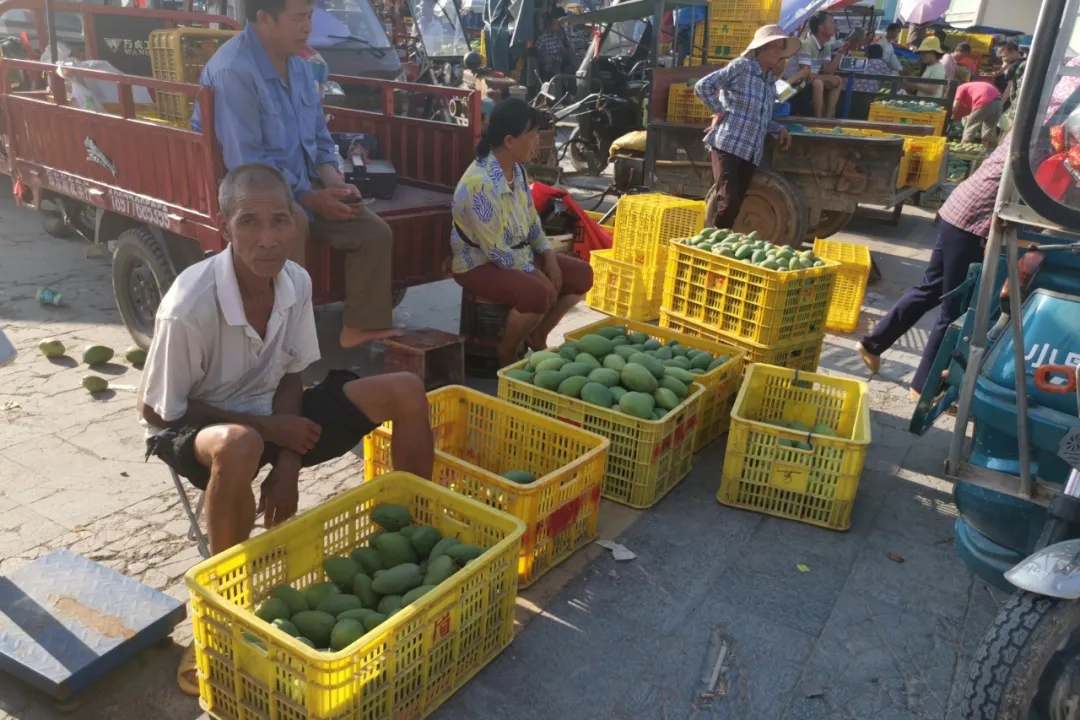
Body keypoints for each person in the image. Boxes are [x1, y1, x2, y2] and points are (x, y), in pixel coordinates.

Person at [140, 164, 435, 693]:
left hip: (276, 413)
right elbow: (159, 412)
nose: (268, 239)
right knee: (242, 445)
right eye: (249, 222)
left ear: (297, 222)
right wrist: (266, 429)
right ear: (224, 224)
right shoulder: (188, 306)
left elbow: (293, 373)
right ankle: (223, 615)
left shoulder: (295, 282)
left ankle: (416, 544)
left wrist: (291, 462)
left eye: (280, 220)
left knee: (406, 390)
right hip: (199, 429)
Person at [191, 0, 400, 350]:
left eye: (310, 18)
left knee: (373, 231)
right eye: (299, 18)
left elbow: (319, 139)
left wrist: (334, 181)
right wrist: (307, 196)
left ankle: (360, 326)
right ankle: (282, 340)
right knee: (292, 225)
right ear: (263, 20)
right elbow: (247, 161)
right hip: (255, 193)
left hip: (304, 185)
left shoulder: (301, 68)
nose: (307, 27)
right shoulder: (234, 71)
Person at [857, 135, 1009, 399]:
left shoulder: (1037, 127)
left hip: (959, 211)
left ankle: (873, 344)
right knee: (955, 309)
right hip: (975, 223)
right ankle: (923, 387)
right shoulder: (1047, 143)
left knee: (932, 288)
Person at [451, 99, 594, 367]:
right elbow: (495, 251)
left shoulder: (516, 170)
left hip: (517, 254)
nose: (538, 141)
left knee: (582, 275)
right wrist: (537, 273)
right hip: (479, 264)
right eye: (532, 134)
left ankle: (538, 335)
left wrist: (549, 258)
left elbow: (531, 222)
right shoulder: (479, 184)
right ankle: (506, 351)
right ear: (509, 140)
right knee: (538, 293)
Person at [695, 25, 797, 231]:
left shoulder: (769, 82)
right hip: (729, 144)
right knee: (729, 201)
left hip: (750, 152)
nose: (779, 52)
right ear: (760, 49)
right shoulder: (741, 67)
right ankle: (712, 240)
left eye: (781, 48)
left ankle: (718, 239)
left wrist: (778, 129)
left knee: (736, 203)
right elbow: (703, 86)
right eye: (774, 47)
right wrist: (719, 110)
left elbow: (761, 117)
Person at [801, 11, 846, 118]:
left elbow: (829, 71)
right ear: (821, 28)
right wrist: (822, 78)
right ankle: (818, 119)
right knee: (818, 83)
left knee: (837, 80)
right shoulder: (806, 44)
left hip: (811, 80)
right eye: (831, 22)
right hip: (798, 83)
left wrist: (840, 53)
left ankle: (828, 117)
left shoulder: (826, 46)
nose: (835, 25)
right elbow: (805, 74)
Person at [953, 80, 1002, 146]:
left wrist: (951, 116)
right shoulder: (972, 87)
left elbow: (955, 106)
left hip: (983, 100)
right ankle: (984, 151)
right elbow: (980, 111)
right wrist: (970, 116)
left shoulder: (960, 88)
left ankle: (962, 149)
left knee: (970, 128)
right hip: (998, 103)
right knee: (988, 131)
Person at [536, 8, 570, 79]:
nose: (557, 26)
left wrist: (565, 49)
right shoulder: (543, 38)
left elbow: (561, 47)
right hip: (549, 64)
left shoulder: (556, 35)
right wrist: (544, 57)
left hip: (559, 60)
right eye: (555, 24)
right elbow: (536, 50)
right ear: (549, 25)